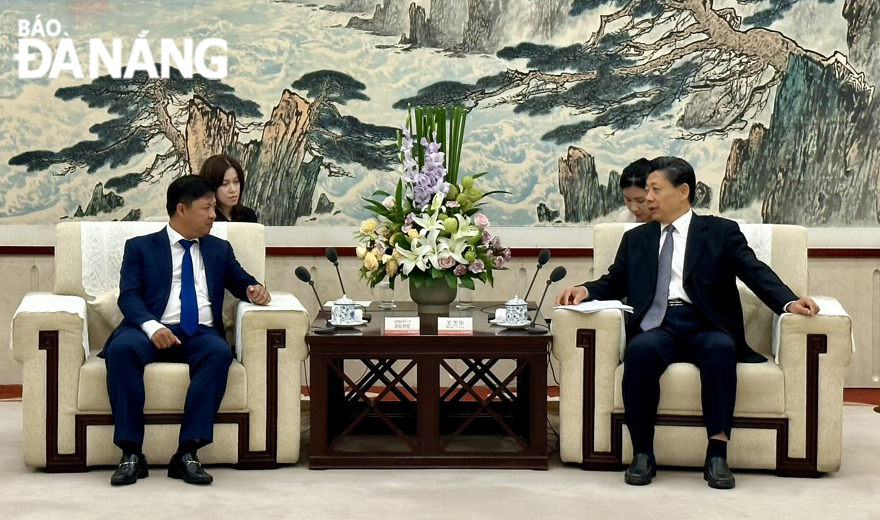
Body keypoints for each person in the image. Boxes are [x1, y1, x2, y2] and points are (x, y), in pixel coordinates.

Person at [556, 157, 818, 489]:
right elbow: (613, 282)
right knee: (639, 353)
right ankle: (643, 454)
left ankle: (717, 454)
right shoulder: (637, 239)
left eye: (655, 190)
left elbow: (754, 271)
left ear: (683, 192)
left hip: (706, 323)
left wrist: (789, 301)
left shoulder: (720, 232)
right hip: (657, 323)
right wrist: (584, 289)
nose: (647, 198)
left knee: (721, 351)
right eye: (647, 190)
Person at [102, 175, 271, 486]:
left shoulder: (218, 248)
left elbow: (240, 280)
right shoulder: (141, 247)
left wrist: (253, 290)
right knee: (121, 349)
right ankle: (131, 454)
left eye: (214, 208)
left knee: (219, 353)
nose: (213, 215)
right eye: (207, 208)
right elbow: (129, 295)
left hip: (199, 333)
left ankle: (188, 453)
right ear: (182, 210)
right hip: (148, 329)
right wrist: (152, 327)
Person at [198, 154, 258, 222]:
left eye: (236, 181)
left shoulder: (248, 215)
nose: (233, 190)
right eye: (225, 184)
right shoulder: (205, 218)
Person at [616, 158, 653, 223]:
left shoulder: (670, 224)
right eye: (628, 200)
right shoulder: (624, 218)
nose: (633, 209)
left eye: (640, 201)